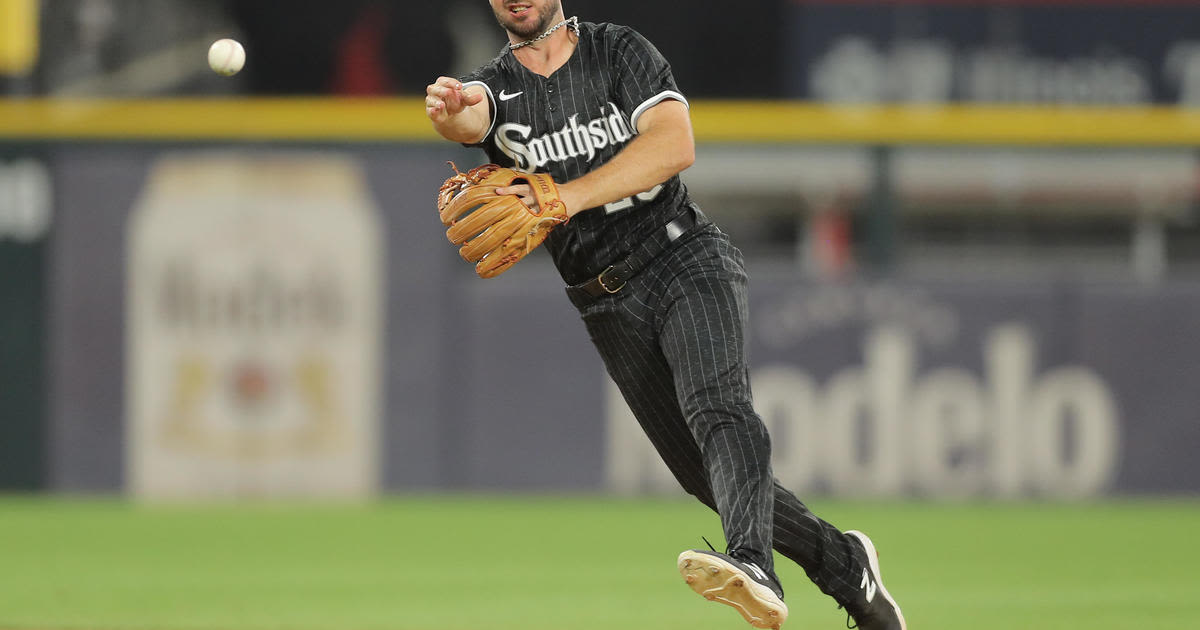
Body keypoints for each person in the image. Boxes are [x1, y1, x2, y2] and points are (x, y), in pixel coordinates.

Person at [424, 2, 907, 629]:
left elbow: (675, 144)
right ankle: (845, 564)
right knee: (704, 477)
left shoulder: (619, 51)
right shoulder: (494, 86)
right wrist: (452, 115)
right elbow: (472, 118)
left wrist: (565, 197)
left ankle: (754, 564)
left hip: (682, 256)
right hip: (602, 299)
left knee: (718, 405)